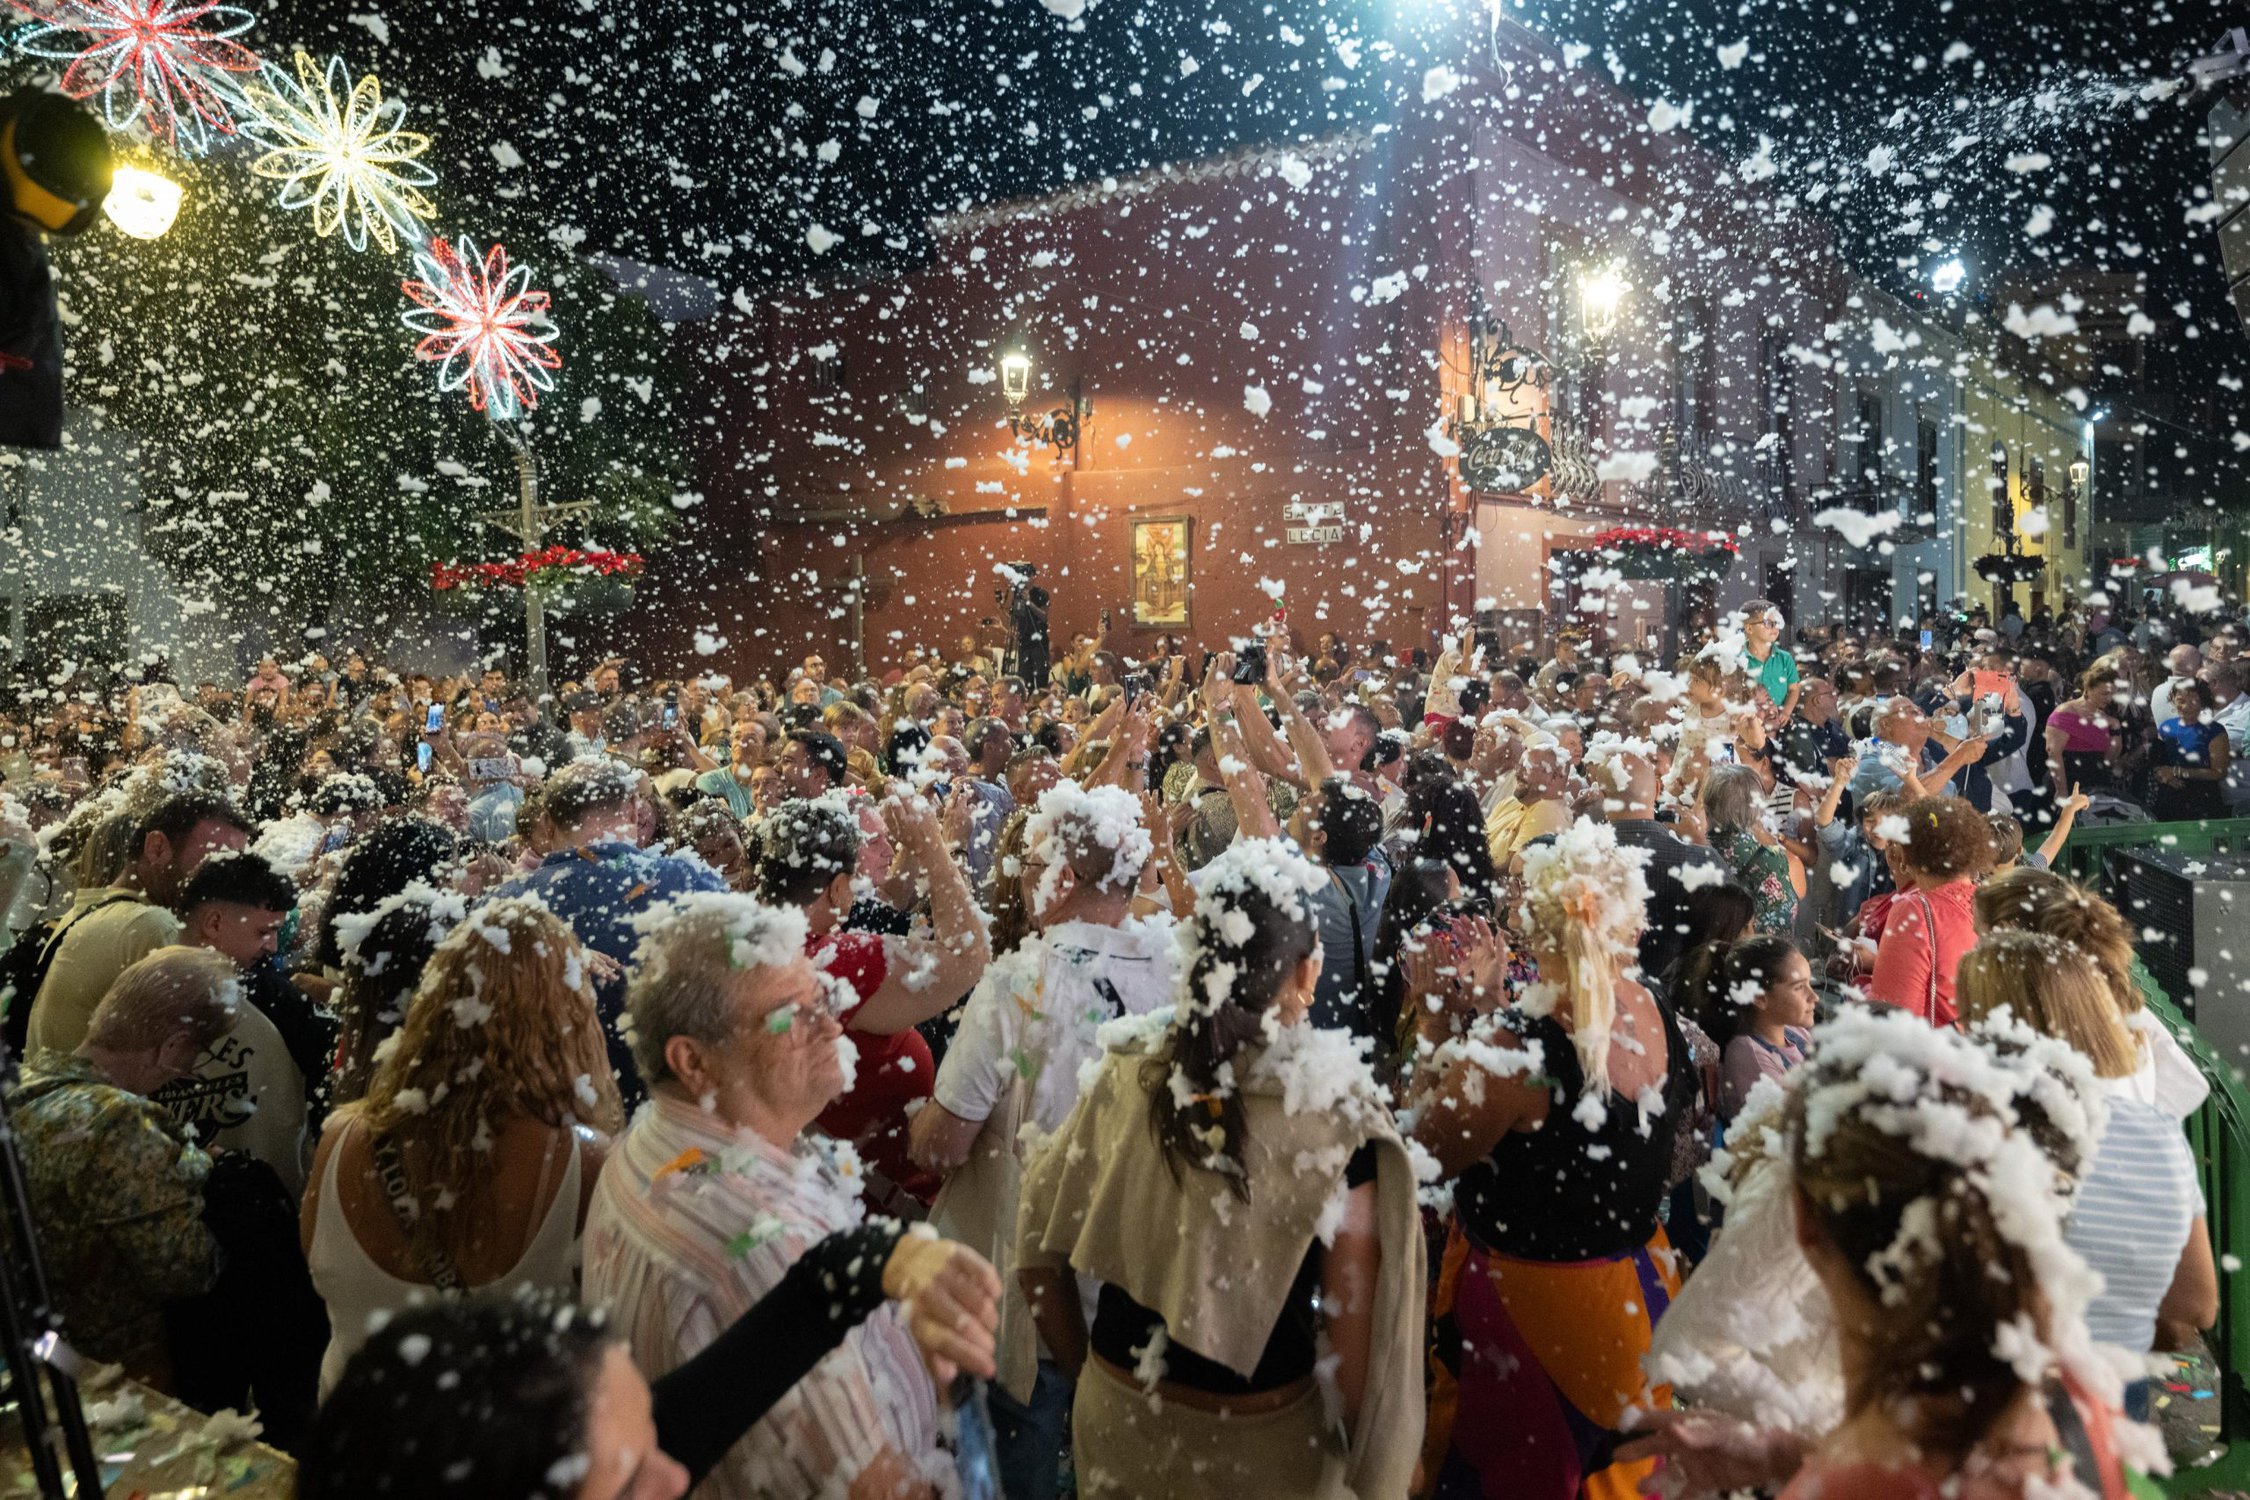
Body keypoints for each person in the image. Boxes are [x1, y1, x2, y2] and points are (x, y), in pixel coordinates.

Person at [1015, 839, 1426, 1499]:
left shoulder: (1131, 1072)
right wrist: (1379, 1469)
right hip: (1258, 1453)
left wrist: (1087, 1370)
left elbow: (1037, 1257)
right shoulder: (1336, 1119)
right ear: (1307, 972)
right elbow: (1358, 1362)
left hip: (1117, 1416)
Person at [584, 891, 949, 1500]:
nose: (832, 1023)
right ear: (694, 1062)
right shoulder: (760, 1240)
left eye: (821, 996)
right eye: (790, 1013)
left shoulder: (654, 1135)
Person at [909, 782, 1179, 1500]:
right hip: (1134, 1284)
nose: (1022, 881)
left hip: (1031, 1284)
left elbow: (943, 1147)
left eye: (1029, 866)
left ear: (1062, 876)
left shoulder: (1021, 979)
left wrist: (915, 1120)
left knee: (1015, 1470)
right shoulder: (1175, 966)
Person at [1409, 819, 1691, 1500]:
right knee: (1622, 1474)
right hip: (1639, 1292)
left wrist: (1433, 1019)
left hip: (1532, 1313)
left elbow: (1423, 1153)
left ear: (1532, 931)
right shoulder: (1652, 1008)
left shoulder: (1517, 1048)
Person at [298, 1234, 1004, 1500]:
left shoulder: (611, 1444)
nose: (678, 1473)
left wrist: (909, 1264)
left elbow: (820, 1288)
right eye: (633, 1482)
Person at [302, 897, 624, 1393]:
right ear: (567, 1013)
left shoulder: (340, 1139)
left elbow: (321, 1271)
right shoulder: (585, 1163)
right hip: (509, 1453)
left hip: (358, 1443)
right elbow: (613, 1329)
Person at [1955, 931, 2216, 1421]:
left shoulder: (1951, 1130)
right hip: (2111, 1396)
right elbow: (2196, 1306)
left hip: (1982, 1403)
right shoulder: (2154, 1132)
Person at [12, 945, 235, 1386]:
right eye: (196, 1053)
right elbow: (186, 1270)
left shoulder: (21, 1085)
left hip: (32, 1354)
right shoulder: (117, 1121)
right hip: (107, 1379)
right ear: (173, 1046)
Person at [757, 793, 991, 1203]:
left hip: (809, 1187)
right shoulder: (835, 963)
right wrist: (934, 847)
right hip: (872, 1206)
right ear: (837, 889)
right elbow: (968, 957)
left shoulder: (748, 945)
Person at [491, 758, 725, 1103]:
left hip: (552, 1122)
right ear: (633, 810)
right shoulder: (693, 882)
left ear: (545, 823)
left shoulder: (501, 909)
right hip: (673, 1117)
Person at [25, 791, 249, 1056]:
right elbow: (210, 1048)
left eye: (235, 867)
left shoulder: (87, 909)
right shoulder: (150, 924)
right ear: (156, 848)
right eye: (214, 863)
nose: (227, 881)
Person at [158, 850, 330, 1194]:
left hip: (237, 1201)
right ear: (215, 924)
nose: (273, 946)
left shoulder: (141, 979)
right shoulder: (272, 998)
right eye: (264, 931)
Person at [1601, 749, 1728, 981]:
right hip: (1685, 995)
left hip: (1606, 994)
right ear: (1658, 789)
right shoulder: (1701, 861)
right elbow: (1735, 923)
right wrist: (1703, 844)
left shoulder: (1583, 858)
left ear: (1603, 795)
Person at [1863, 795, 1990, 1026]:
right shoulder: (1991, 901)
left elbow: (1893, 1020)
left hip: (1937, 1056)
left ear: (1903, 856)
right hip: (1984, 1053)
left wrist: (1859, 984)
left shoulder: (1915, 911)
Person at [1676, 932, 1812, 1121]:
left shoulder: (1795, 1032)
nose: (1814, 997)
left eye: (1810, 984)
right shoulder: (1749, 1056)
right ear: (1760, 997)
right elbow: (1792, 1132)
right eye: (1799, 987)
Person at [1701, 762, 1798, 934]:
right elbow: (1780, 924)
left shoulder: (1693, 849)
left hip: (1704, 955)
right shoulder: (1771, 859)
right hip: (1752, 956)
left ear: (1707, 805)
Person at [2152, 679, 2229, 822]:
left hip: (2203, 801)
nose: (2186, 706)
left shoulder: (2215, 731)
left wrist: (2176, 772)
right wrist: (2166, 778)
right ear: (2173, 700)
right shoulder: (2165, 728)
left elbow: (2219, 772)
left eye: (2194, 701)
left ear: (2203, 702)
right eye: (2180, 700)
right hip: (2170, 801)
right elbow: (2158, 764)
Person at [2044, 666, 2123, 796]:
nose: (2109, 699)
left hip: (2095, 783)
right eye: (2104, 693)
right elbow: (2053, 753)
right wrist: (2062, 790)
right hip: (2069, 778)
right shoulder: (2065, 713)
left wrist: (2116, 728)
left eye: (2112, 694)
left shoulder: (2105, 717)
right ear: (2088, 689)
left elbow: (2110, 758)